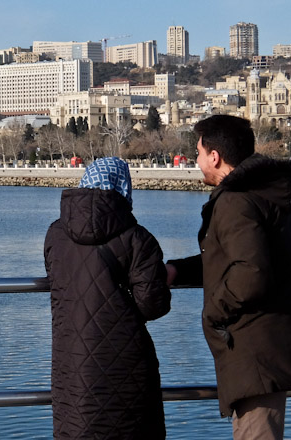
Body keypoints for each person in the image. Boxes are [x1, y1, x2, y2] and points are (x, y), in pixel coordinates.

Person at [166, 115, 291, 439]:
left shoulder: (236, 201)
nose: (197, 160)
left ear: (215, 156)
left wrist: (213, 314)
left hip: (255, 350)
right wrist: (179, 269)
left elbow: (249, 270)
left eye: (199, 153)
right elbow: (234, 258)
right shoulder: (261, 195)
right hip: (268, 345)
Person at [44, 156, 171, 439]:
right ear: (124, 187)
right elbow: (153, 306)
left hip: (71, 362)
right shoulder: (138, 239)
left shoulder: (55, 234)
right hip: (125, 365)